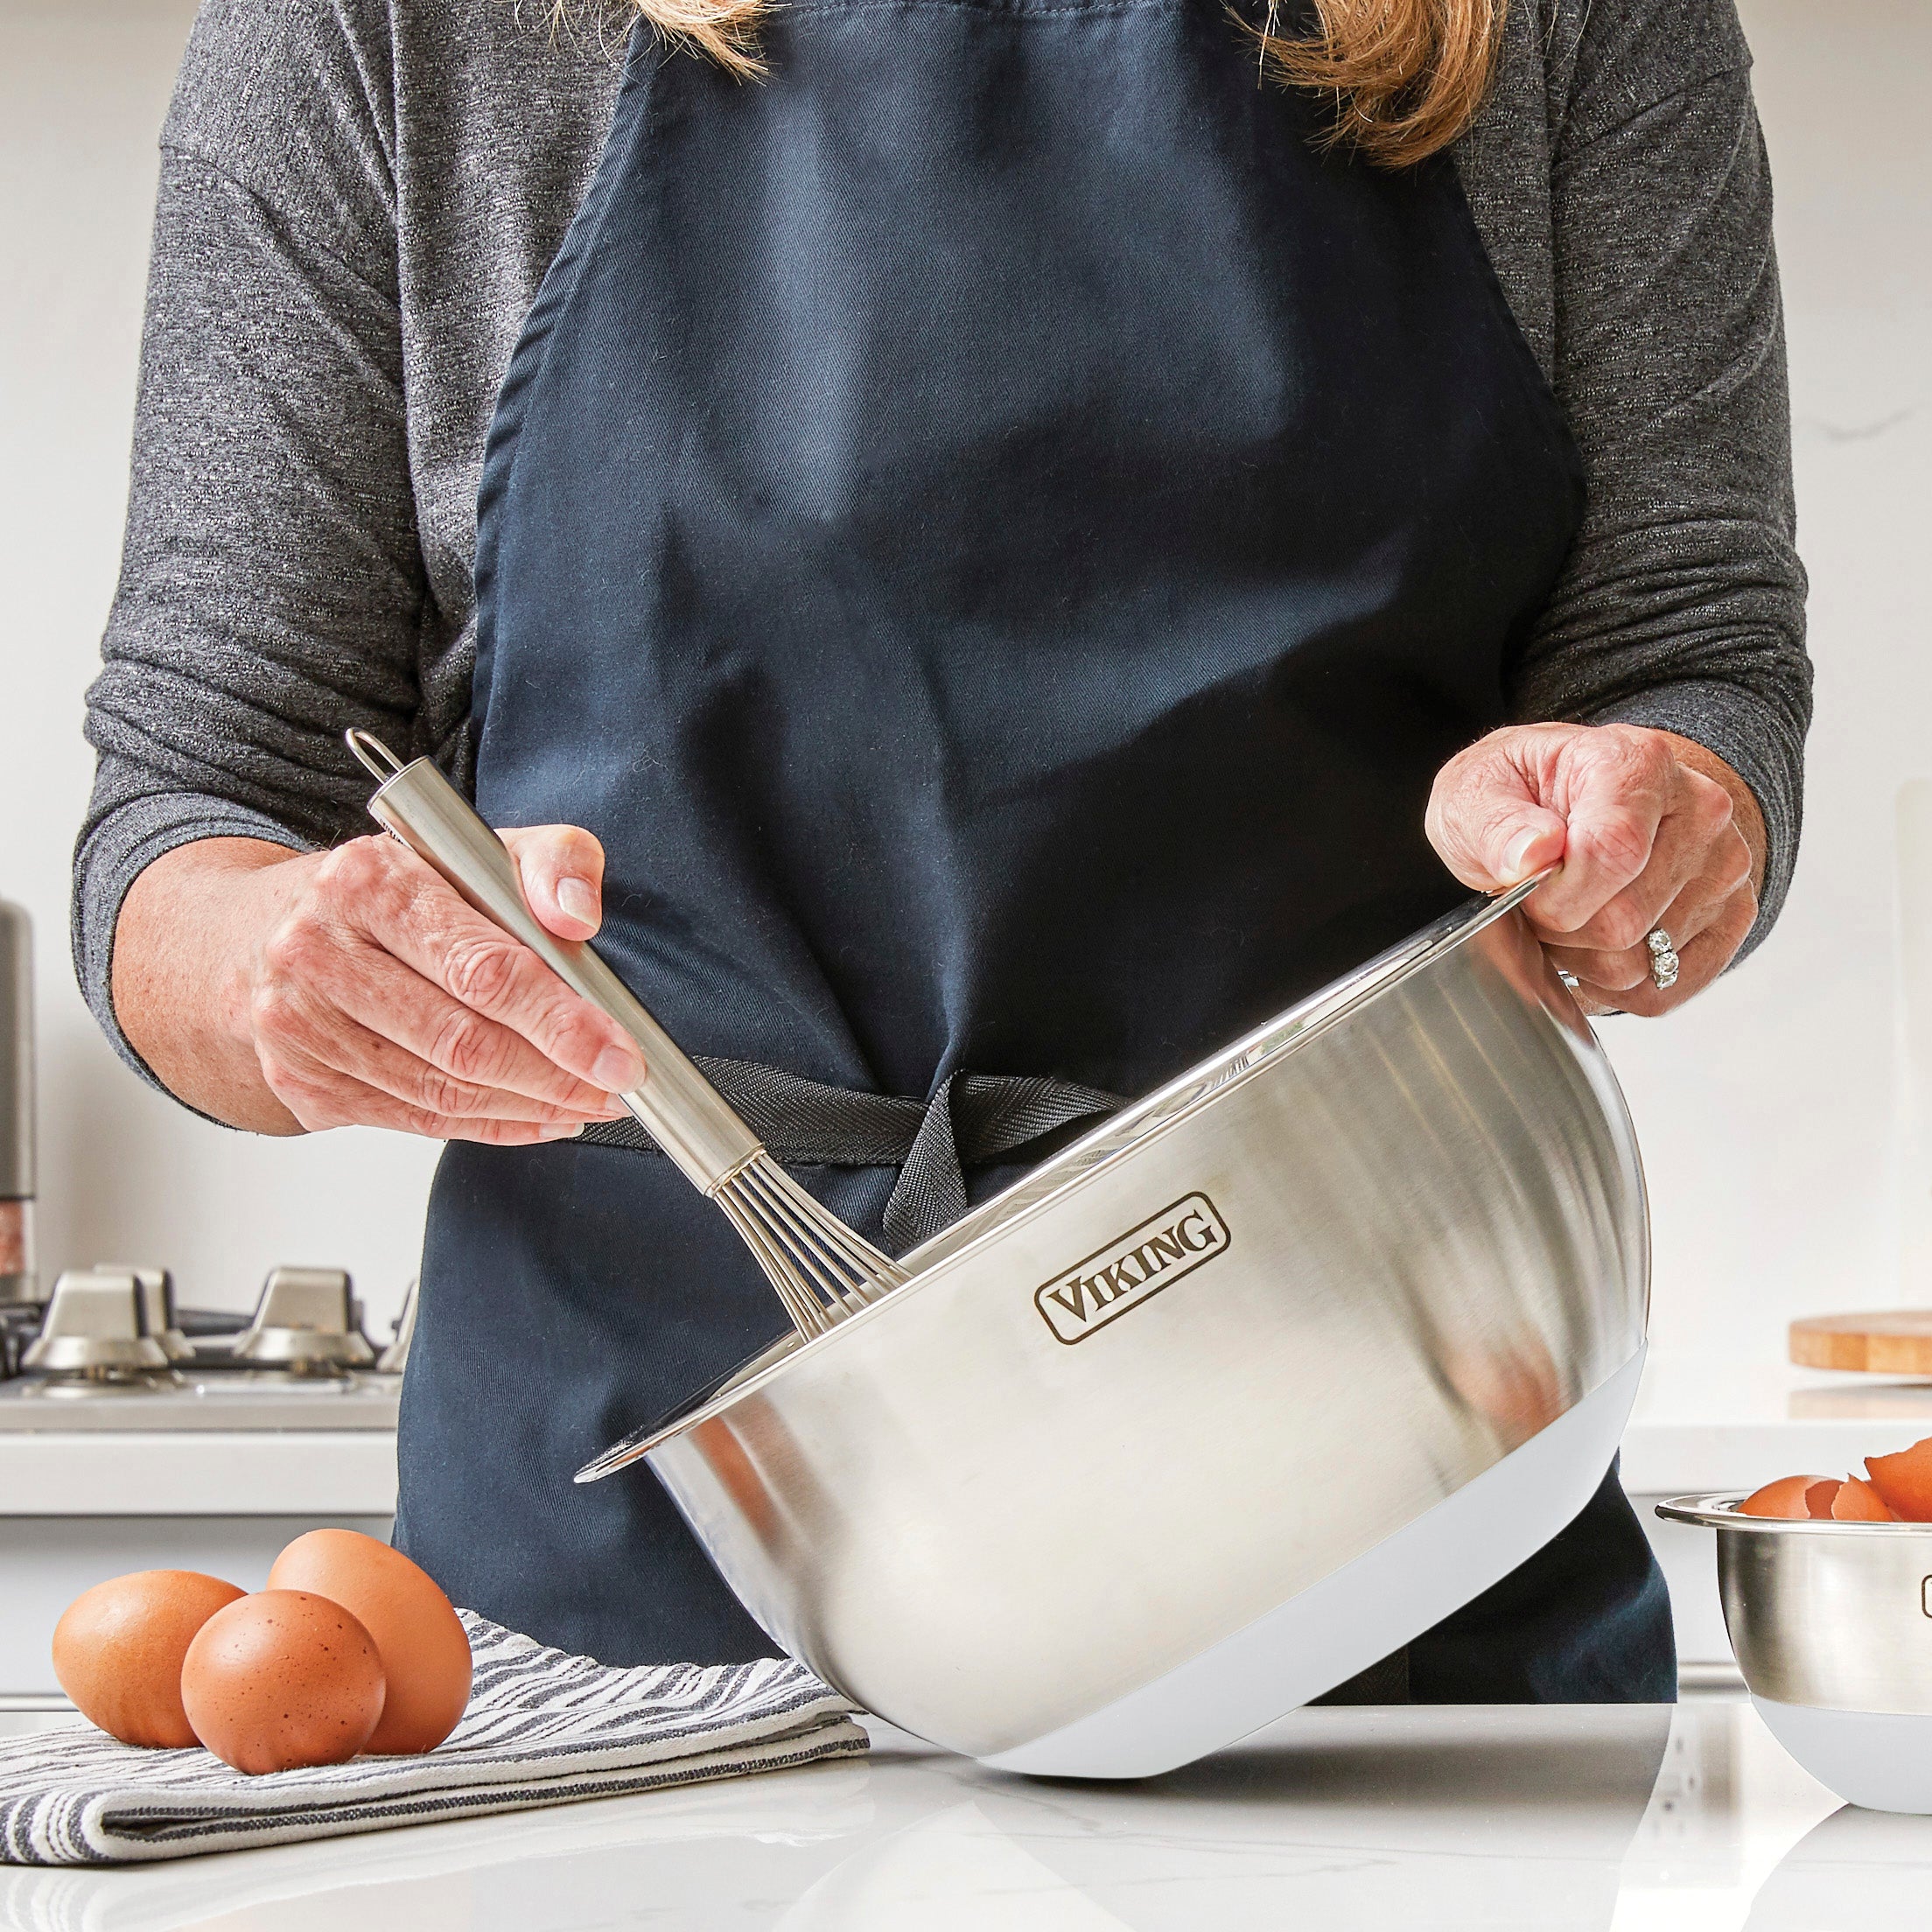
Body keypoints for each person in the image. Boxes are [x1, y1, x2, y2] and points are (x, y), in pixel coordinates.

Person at [78, 0, 1809, 1698]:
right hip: (671, 1567)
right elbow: (190, 814)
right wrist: (284, 970)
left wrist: (1655, 818)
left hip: (1393, 1498)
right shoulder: (392, 32)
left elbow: (1693, 652)